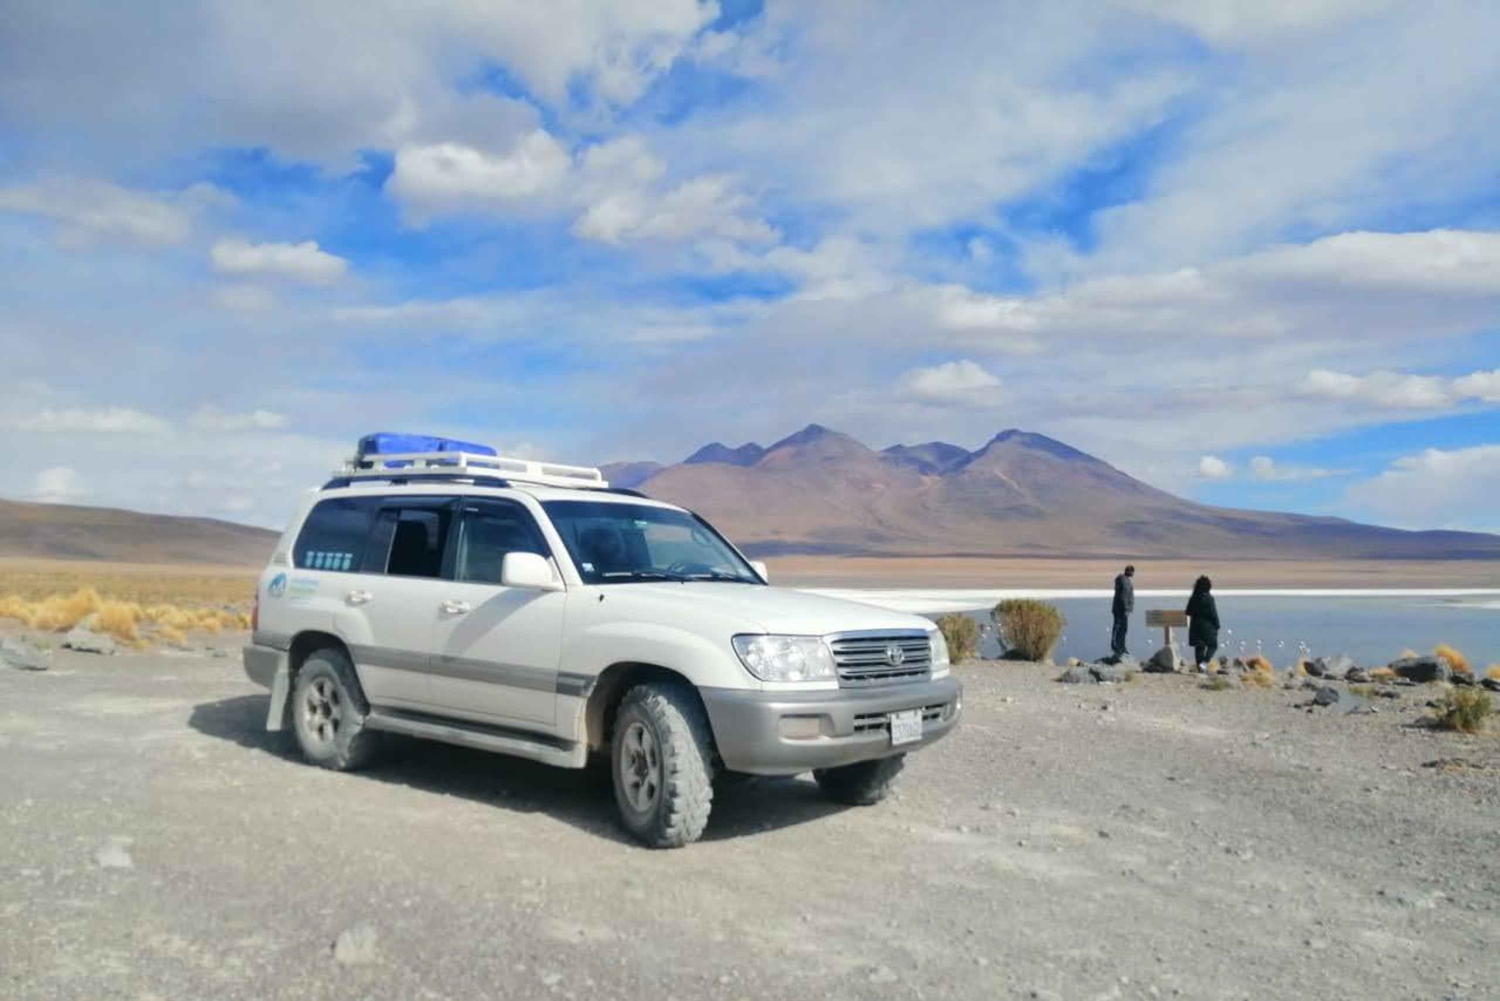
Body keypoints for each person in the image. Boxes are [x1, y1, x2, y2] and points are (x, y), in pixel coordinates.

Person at [1185, 575, 1220, 671]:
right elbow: (1213, 614)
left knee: (1199, 647)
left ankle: (1200, 668)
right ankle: (1204, 664)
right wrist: (1217, 625)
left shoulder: (1193, 597)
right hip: (1207, 627)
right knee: (1213, 646)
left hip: (1195, 626)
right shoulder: (1209, 598)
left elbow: (1188, 612)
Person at [1110, 565, 1135, 657]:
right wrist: (1126, 608)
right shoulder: (1124, 581)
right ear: (1129, 571)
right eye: (1132, 572)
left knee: (1122, 629)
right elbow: (1124, 596)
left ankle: (1121, 646)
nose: (1133, 574)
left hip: (1121, 609)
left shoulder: (1125, 580)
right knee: (1119, 628)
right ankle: (1117, 646)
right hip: (1121, 610)